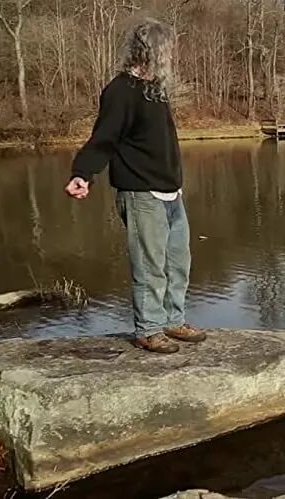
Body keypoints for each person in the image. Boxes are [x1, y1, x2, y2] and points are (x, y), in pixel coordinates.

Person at [65, 18, 206, 354]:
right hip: (142, 194)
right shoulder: (121, 91)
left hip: (171, 192)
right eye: (168, 50)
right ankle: (149, 328)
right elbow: (104, 139)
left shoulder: (155, 90)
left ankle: (173, 319)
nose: (172, 56)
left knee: (177, 261)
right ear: (151, 52)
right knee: (149, 265)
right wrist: (82, 173)